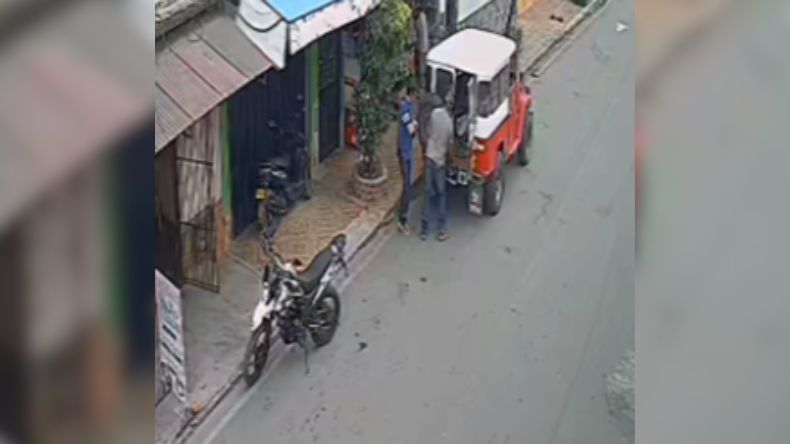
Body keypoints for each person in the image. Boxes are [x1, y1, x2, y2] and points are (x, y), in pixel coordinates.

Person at [421, 96, 453, 242]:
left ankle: (424, 229)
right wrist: (450, 160)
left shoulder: (434, 114)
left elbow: (427, 131)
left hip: (429, 157)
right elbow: (450, 146)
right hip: (440, 162)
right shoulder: (449, 124)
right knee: (441, 195)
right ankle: (441, 229)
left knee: (427, 193)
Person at [397, 86, 419, 235]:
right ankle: (402, 219)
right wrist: (416, 125)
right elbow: (412, 131)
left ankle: (403, 213)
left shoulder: (410, 108)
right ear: (411, 95)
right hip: (404, 152)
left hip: (407, 151)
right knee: (407, 186)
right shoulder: (406, 110)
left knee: (408, 184)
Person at [413, 6, 430, 89]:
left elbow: (421, 34)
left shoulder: (419, 16)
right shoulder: (421, 15)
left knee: (420, 68)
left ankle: (420, 86)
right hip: (421, 47)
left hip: (420, 47)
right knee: (420, 68)